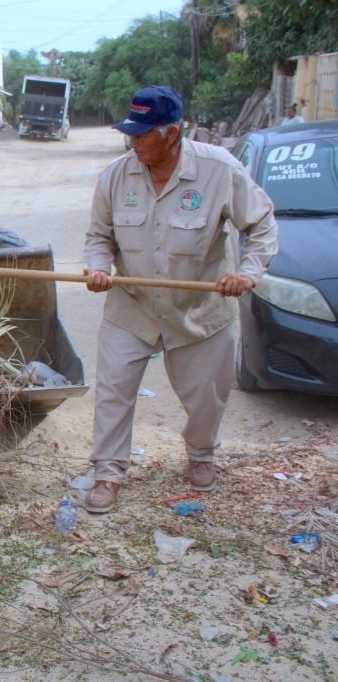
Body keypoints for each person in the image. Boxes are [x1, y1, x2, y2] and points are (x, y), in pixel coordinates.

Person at [83, 85, 278, 513]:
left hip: (199, 309)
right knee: (113, 391)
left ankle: (201, 454)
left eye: (142, 134)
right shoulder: (115, 176)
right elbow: (99, 237)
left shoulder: (219, 170)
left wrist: (246, 274)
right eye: (130, 133)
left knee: (207, 396)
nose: (133, 142)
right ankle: (107, 472)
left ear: (171, 133)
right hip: (133, 306)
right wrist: (97, 267)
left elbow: (261, 224)